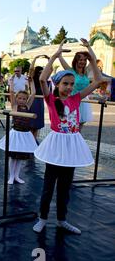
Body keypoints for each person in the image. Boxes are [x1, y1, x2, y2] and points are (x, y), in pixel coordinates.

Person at [33, 39, 103, 235]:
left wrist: (91, 54)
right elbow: (42, 79)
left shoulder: (76, 98)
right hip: (56, 144)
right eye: (66, 83)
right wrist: (55, 55)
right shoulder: (51, 99)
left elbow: (97, 80)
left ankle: (62, 219)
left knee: (65, 186)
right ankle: (43, 218)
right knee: (49, 185)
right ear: (57, 84)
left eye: (71, 84)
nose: (70, 87)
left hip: (71, 144)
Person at [0, 79, 38, 184]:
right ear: (16, 99)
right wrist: (11, 83)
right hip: (16, 133)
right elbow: (11, 93)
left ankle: (17, 176)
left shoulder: (27, 106)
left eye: (24, 99)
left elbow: (33, 93)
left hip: (25, 134)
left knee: (20, 157)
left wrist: (31, 82)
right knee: (13, 156)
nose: (22, 100)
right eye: (19, 98)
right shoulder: (15, 106)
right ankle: (11, 176)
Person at [58, 40, 94, 131]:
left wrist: (88, 46)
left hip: (84, 101)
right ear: (76, 61)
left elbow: (93, 59)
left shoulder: (86, 72)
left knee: (80, 125)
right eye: (80, 60)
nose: (83, 62)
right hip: (73, 99)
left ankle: (76, 142)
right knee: (71, 124)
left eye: (85, 60)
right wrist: (60, 47)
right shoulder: (71, 71)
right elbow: (61, 58)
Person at [29, 55, 49, 141]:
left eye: (42, 72)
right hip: (33, 103)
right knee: (31, 124)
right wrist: (35, 58)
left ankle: (34, 140)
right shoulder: (32, 80)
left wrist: (49, 59)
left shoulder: (43, 81)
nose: (41, 73)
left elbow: (50, 69)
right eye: (40, 72)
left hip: (40, 104)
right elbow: (31, 70)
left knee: (37, 125)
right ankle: (30, 141)